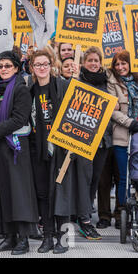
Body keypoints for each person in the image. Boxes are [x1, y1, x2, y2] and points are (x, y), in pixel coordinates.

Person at [27, 49, 91, 253]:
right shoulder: (29, 91)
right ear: (32, 68)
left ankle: (64, 239)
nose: (42, 68)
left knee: (62, 195)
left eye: (45, 64)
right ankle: (47, 237)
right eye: (38, 65)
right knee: (43, 195)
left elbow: (78, 112)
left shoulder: (63, 86)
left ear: (51, 64)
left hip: (61, 151)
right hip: (39, 150)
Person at [0, 51, 38, 256]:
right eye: (0, 66)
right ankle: (10, 237)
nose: (3, 69)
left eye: (7, 66)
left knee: (19, 193)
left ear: (16, 68)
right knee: (5, 192)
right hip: (0, 146)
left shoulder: (21, 88)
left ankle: (23, 239)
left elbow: (20, 119)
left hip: (16, 146)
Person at [76, 46, 112, 240]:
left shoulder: (107, 82)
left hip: (103, 140)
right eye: (89, 60)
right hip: (83, 139)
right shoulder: (77, 81)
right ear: (83, 63)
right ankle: (84, 220)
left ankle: (86, 213)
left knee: (94, 180)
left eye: (96, 61)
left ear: (100, 63)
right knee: (84, 179)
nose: (93, 63)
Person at [107, 50, 138, 229]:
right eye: (117, 64)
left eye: (124, 63)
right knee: (124, 176)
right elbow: (112, 109)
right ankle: (123, 210)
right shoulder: (112, 82)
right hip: (121, 135)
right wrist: (130, 122)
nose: (120, 67)